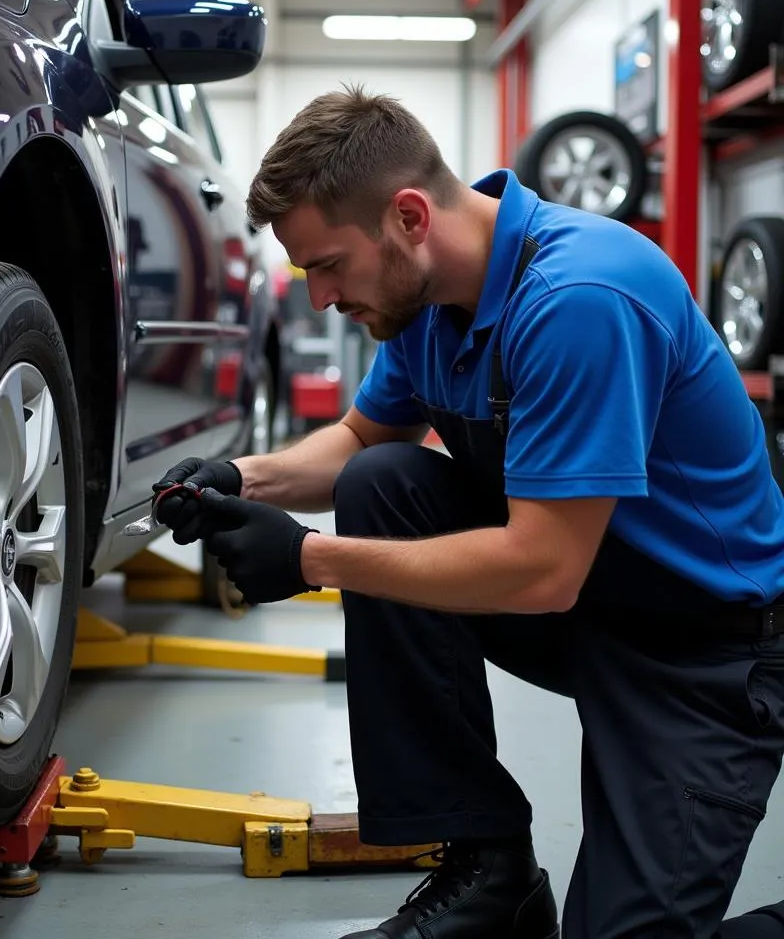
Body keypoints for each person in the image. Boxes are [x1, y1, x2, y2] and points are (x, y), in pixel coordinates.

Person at [151, 85, 784, 938]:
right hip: (592, 605)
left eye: (329, 265)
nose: (319, 297)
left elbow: (544, 569)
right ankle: (487, 869)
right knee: (381, 484)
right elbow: (355, 442)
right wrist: (240, 478)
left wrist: (308, 561)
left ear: (409, 216)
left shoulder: (579, 298)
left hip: (706, 654)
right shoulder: (425, 303)